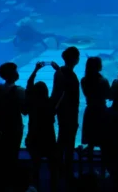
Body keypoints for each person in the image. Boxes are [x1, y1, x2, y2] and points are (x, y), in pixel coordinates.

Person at [0, 62, 26, 189]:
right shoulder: (20, 91)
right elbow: (25, 110)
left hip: (0, 128)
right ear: (13, 74)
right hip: (14, 128)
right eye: (15, 71)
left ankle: (1, 182)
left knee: (1, 155)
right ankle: (12, 182)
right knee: (13, 154)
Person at [24, 62, 58, 191]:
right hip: (49, 138)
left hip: (33, 136)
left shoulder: (31, 103)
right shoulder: (50, 103)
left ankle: (35, 187)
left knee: (35, 164)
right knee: (53, 166)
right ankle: (54, 187)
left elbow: (29, 85)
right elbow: (58, 89)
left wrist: (35, 70)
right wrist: (58, 71)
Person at [51, 46, 80, 184]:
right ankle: (65, 170)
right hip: (68, 111)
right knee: (67, 141)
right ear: (75, 59)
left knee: (63, 139)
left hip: (64, 111)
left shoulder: (61, 72)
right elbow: (61, 92)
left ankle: (60, 169)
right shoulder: (65, 73)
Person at [80, 56, 110, 176]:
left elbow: (87, 93)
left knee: (91, 143)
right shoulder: (103, 81)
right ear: (97, 66)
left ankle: (90, 169)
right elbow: (108, 95)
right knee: (104, 143)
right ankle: (103, 169)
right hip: (101, 111)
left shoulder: (84, 80)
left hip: (90, 111)